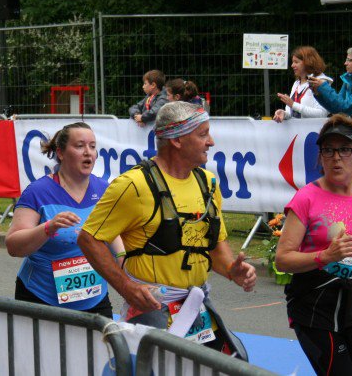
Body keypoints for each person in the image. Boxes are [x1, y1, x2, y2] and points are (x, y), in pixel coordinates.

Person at [78, 101, 256, 356]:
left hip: (197, 309)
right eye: (203, 134)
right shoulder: (133, 185)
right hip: (152, 313)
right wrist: (126, 287)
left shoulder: (208, 183)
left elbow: (213, 246)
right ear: (177, 140)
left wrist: (231, 270)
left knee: (235, 364)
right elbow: (89, 239)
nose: (211, 142)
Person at [275, 114, 352, 376]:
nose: (336, 157)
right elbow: (282, 259)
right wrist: (326, 256)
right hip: (315, 307)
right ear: (320, 157)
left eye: (344, 149)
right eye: (328, 150)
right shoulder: (306, 198)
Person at [5, 123, 122, 317]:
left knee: (102, 348)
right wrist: (48, 228)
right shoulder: (38, 191)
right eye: (79, 146)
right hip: (41, 297)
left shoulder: (104, 190)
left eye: (92, 146)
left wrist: (124, 265)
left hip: (94, 297)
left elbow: (114, 234)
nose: (88, 153)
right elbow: (13, 246)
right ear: (60, 152)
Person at [273, 46, 332, 122]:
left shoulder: (320, 82)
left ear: (308, 62)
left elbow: (322, 114)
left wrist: (293, 105)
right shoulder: (297, 83)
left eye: (296, 62)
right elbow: (293, 113)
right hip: (298, 132)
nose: (292, 65)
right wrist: (284, 114)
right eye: (292, 62)